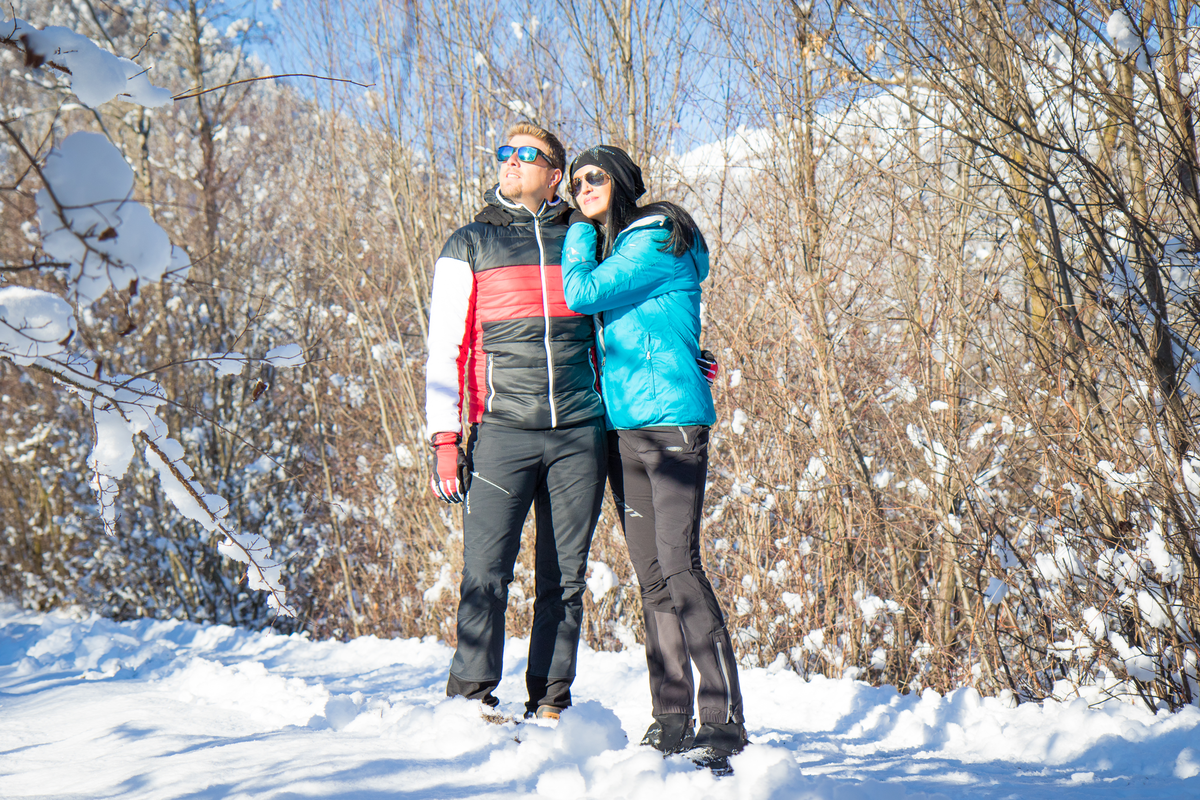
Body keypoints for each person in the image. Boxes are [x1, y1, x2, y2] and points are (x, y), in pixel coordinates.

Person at [559, 144, 747, 770]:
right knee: (653, 577)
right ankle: (670, 718)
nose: (582, 187)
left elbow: (582, 293)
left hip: (670, 427)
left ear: (620, 181)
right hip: (627, 430)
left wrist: (577, 230)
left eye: (593, 177)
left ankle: (722, 724)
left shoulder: (655, 238)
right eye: (575, 183)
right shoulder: (623, 248)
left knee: (680, 568)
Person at [424, 123, 607, 720]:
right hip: (501, 432)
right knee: (485, 574)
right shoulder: (470, 242)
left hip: (579, 432)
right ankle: (471, 700)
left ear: (554, 176)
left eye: (528, 154)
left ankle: (551, 704)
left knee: (565, 580)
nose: (511, 161)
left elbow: (626, 318)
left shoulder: (584, 237)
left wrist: (680, 355)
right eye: (506, 152)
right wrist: (445, 438)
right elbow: (445, 349)